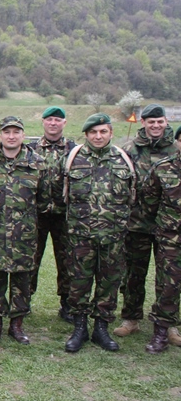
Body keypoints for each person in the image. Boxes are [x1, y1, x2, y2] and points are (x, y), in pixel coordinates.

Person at [58, 113, 135, 353]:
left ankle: (101, 328)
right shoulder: (72, 159)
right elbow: (58, 193)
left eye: (103, 132)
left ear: (111, 133)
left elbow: (135, 194)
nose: (98, 136)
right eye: (93, 132)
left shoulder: (124, 160)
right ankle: (79, 328)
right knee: (78, 282)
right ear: (86, 134)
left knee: (109, 283)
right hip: (81, 236)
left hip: (113, 237)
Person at [0, 117, 50, 344]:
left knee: (22, 281)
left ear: (23, 135)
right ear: (0, 135)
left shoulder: (38, 164)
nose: (11, 136)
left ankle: (17, 325)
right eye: (7, 132)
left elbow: (44, 199)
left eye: (16, 132)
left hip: (24, 236)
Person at [115, 104, 178, 338]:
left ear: (166, 121)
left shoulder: (176, 149)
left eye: (160, 121)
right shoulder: (130, 149)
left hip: (169, 226)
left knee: (169, 277)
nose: (156, 126)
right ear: (143, 123)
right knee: (133, 274)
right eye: (151, 122)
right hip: (136, 223)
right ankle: (131, 318)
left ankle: (168, 323)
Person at [27, 106, 76, 321]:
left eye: (57, 120)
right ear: (43, 122)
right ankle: (24, 299)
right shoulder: (30, 149)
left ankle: (67, 303)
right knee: (30, 258)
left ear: (64, 123)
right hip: (36, 213)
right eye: (49, 120)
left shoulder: (74, 150)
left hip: (64, 214)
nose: (53, 123)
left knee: (67, 260)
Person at [137, 133, 181, 352]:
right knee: (169, 284)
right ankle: (161, 332)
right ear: (177, 142)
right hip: (171, 238)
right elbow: (149, 200)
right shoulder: (163, 168)